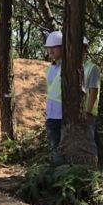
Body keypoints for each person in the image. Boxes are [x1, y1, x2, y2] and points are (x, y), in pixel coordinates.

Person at [44, 31, 63, 162]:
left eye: (54, 47)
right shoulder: (50, 69)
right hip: (51, 114)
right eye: (48, 48)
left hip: (63, 115)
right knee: (54, 147)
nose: (50, 50)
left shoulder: (68, 67)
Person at [82, 37, 101, 158]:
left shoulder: (92, 68)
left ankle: (93, 168)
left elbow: (93, 91)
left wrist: (87, 112)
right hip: (76, 112)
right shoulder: (71, 68)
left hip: (88, 113)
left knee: (89, 141)